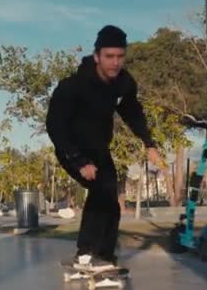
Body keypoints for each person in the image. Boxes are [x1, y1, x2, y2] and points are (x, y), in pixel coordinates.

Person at [46, 25, 163, 270]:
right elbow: (55, 126)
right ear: (97, 56)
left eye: (120, 56)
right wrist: (78, 161)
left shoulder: (123, 83)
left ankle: (102, 256)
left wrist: (149, 143)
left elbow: (133, 112)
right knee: (102, 191)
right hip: (71, 147)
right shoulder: (72, 86)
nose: (115, 63)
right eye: (109, 57)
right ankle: (88, 252)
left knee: (111, 199)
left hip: (100, 150)